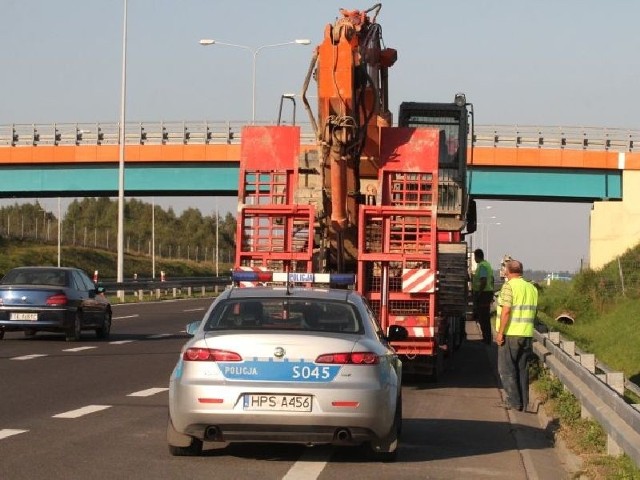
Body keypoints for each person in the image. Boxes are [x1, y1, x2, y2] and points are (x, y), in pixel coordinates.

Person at [495, 259, 539, 412]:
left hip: (511, 334)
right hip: (526, 334)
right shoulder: (532, 288)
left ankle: (513, 402)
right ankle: (523, 403)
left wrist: (500, 333)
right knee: (522, 369)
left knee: (506, 369)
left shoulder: (508, 286)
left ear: (508, 271)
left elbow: (506, 311)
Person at [472, 248, 494, 345]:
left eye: (475, 257)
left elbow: (483, 281)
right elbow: (491, 279)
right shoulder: (487, 264)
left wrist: (478, 293)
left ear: (477, 256)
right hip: (487, 293)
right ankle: (486, 338)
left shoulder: (482, 266)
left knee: (483, 318)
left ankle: (487, 339)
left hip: (483, 294)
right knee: (483, 317)